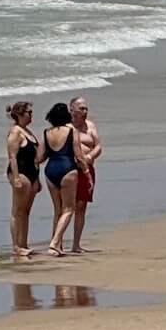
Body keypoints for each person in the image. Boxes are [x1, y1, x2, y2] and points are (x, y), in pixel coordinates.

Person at [39, 102, 82, 259]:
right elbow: (78, 154)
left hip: (50, 170)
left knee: (58, 210)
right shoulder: (72, 131)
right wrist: (84, 169)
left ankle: (58, 244)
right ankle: (55, 242)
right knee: (69, 209)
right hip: (67, 169)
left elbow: (40, 157)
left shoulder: (46, 132)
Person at [3, 101, 40, 262]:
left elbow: (36, 158)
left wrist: (37, 179)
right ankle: (16, 246)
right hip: (20, 172)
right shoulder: (15, 132)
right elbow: (12, 156)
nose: (31, 115)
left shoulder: (28, 132)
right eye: (28, 113)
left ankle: (24, 243)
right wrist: (16, 177)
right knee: (17, 210)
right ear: (19, 114)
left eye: (31, 112)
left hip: (32, 173)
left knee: (26, 211)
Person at [68, 97, 103, 252]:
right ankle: (58, 242)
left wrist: (90, 157)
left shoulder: (90, 126)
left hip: (88, 169)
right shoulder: (67, 127)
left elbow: (98, 146)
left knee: (81, 206)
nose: (85, 111)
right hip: (71, 170)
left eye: (86, 108)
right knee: (67, 206)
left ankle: (76, 244)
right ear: (72, 109)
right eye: (81, 108)